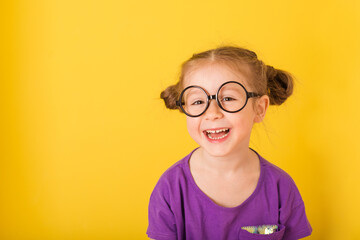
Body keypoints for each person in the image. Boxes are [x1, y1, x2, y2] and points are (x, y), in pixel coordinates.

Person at [147, 46, 312, 240]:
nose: (212, 113)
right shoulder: (170, 189)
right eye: (198, 102)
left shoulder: (281, 188)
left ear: (259, 108)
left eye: (228, 98)